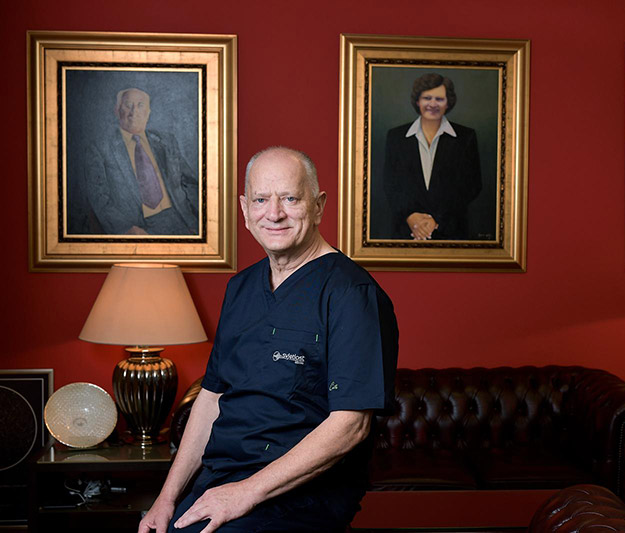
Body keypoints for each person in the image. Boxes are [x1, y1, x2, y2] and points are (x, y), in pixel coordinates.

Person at [138, 147, 398, 533]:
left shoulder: (352, 294)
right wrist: (167, 498)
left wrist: (246, 493)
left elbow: (350, 426)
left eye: (290, 198)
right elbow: (211, 399)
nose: (274, 214)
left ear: (318, 206)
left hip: (302, 495)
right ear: (245, 210)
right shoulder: (240, 288)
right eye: (261, 200)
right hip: (221, 482)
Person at [83, 88, 200, 235]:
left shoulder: (166, 141)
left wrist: (196, 220)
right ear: (117, 110)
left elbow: (190, 183)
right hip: (138, 227)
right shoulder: (99, 149)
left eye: (140, 105)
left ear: (148, 112)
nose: (134, 112)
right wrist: (125, 228)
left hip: (180, 219)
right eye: (128, 105)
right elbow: (99, 197)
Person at [383, 73, 482, 240]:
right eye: (427, 98)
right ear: (417, 101)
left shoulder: (466, 137)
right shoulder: (396, 137)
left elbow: (471, 186)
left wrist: (436, 220)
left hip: (451, 232)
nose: (433, 104)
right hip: (406, 232)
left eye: (439, 99)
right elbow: (390, 184)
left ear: (448, 102)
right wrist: (411, 216)